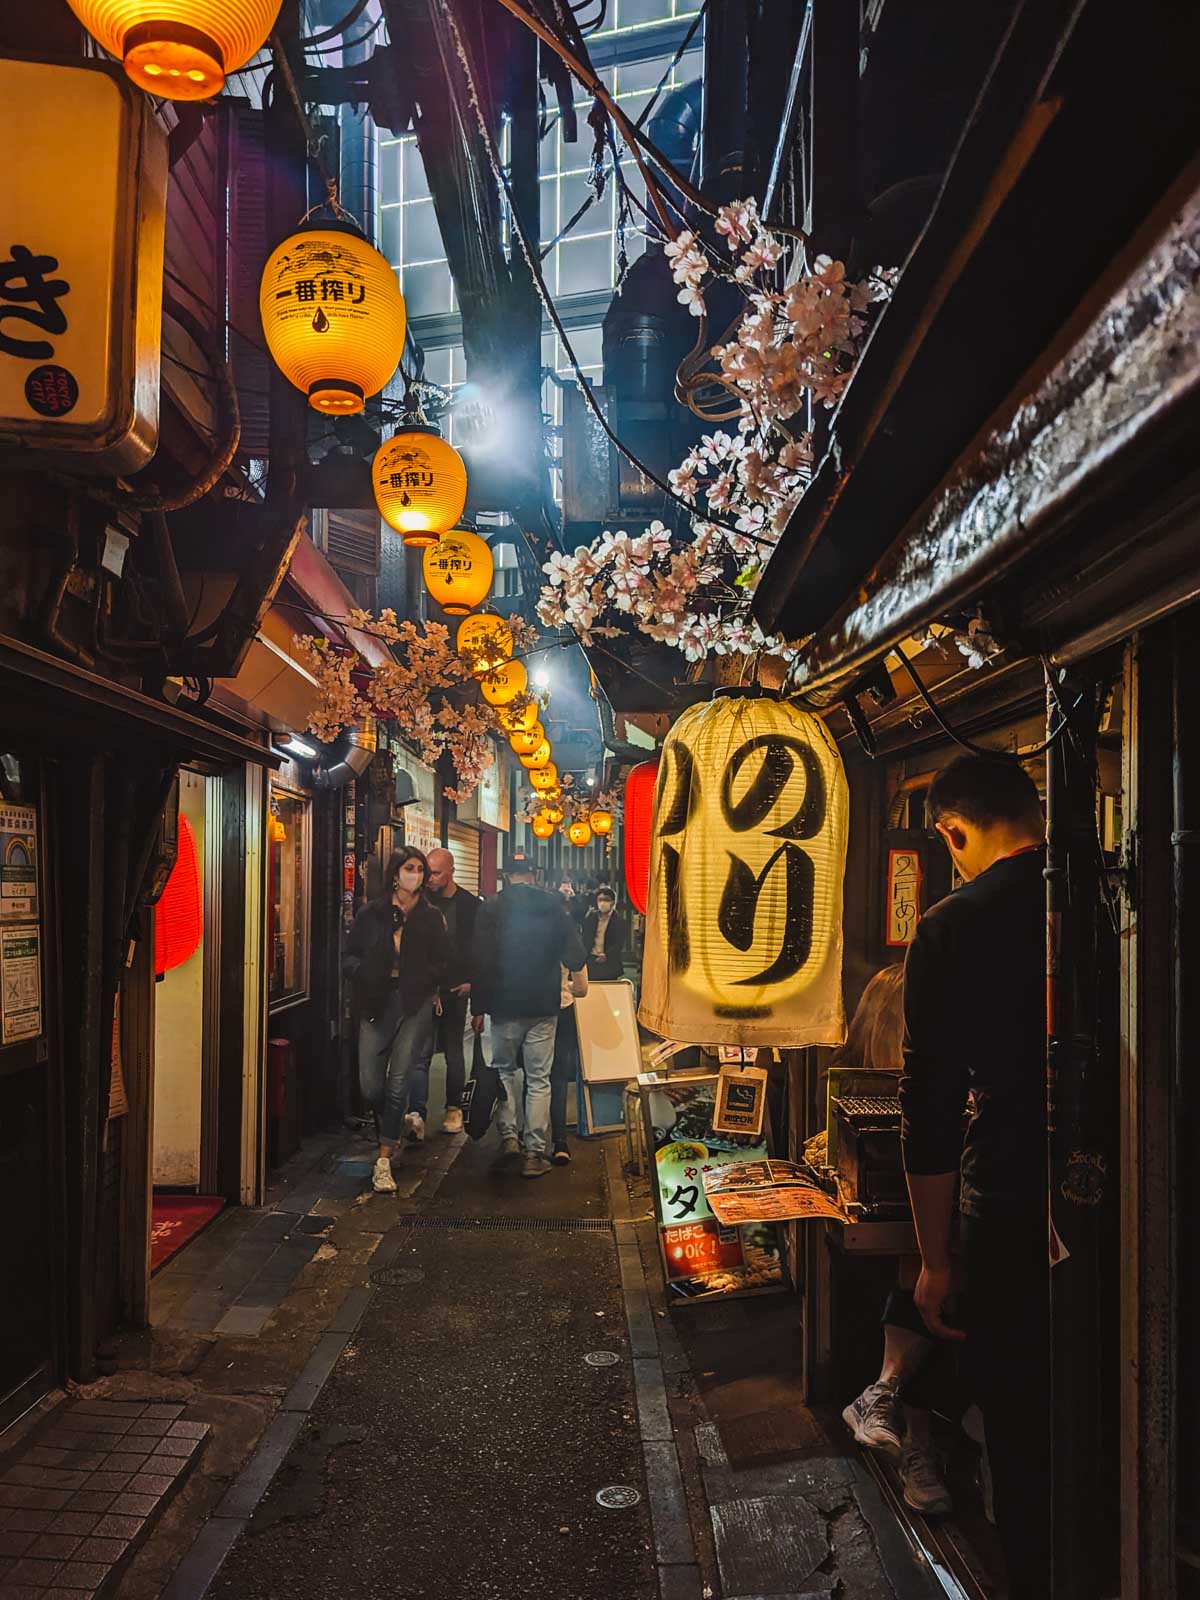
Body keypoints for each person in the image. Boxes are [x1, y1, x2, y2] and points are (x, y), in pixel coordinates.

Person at [900, 753, 1048, 1596]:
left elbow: (928, 1107)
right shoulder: (1116, 887)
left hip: (1010, 1190)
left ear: (953, 831)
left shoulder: (954, 923)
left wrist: (934, 1259)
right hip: (1132, 1182)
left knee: (1021, 1419)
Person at [831, 967, 954, 1516]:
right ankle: (917, 1443)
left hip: (928, 1184)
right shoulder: (910, 994)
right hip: (915, 1188)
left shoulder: (893, 990)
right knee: (925, 1268)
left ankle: (885, 1398)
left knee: (932, 1270)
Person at [471, 853, 587, 1179]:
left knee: (504, 1071)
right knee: (539, 1079)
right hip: (542, 1006)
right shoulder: (553, 907)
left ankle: (509, 1138)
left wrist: (478, 1007)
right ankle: (534, 1154)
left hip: (503, 1004)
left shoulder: (490, 907)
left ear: (507, 875)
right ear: (533, 875)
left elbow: (478, 960)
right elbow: (576, 956)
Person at [344, 847, 450, 1194]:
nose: (416, 875)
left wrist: (426, 981)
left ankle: (384, 1158)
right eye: (410, 868)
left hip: (413, 1003)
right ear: (395, 873)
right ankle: (395, 1120)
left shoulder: (430, 917)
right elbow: (349, 956)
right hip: (376, 1000)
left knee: (399, 1080)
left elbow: (442, 960)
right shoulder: (371, 914)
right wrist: (364, 974)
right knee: (371, 1084)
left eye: (420, 869)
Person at [422, 846, 481, 1135]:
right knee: (419, 1053)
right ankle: (415, 1113)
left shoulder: (470, 905)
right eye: (427, 871)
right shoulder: (422, 902)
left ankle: (454, 1107)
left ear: (451, 872)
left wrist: (472, 983)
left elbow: (480, 949)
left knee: (454, 1051)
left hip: (456, 990)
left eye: (436, 873)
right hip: (425, 989)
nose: (429, 878)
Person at [550, 960, 588, 1165]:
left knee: (534, 1077)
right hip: (562, 1009)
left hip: (524, 1009)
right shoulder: (568, 933)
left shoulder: (516, 930)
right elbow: (582, 988)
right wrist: (567, 987)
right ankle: (559, 1141)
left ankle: (528, 1141)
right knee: (558, 1077)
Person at [583, 884, 626, 981]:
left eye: (606, 900)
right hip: (591, 961)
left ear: (612, 902)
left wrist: (606, 955)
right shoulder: (591, 918)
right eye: (600, 900)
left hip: (609, 963)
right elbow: (585, 939)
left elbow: (619, 943)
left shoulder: (619, 921)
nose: (602, 903)